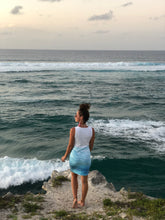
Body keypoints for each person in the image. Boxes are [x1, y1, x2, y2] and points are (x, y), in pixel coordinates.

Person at [61, 103, 95, 208]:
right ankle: (82, 201)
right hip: (85, 158)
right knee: (84, 181)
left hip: (75, 157)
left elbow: (70, 145)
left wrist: (65, 156)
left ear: (81, 117)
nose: (75, 117)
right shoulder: (92, 130)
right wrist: (85, 153)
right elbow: (91, 146)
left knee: (74, 177)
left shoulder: (74, 130)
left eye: (76, 115)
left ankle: (75, 198)